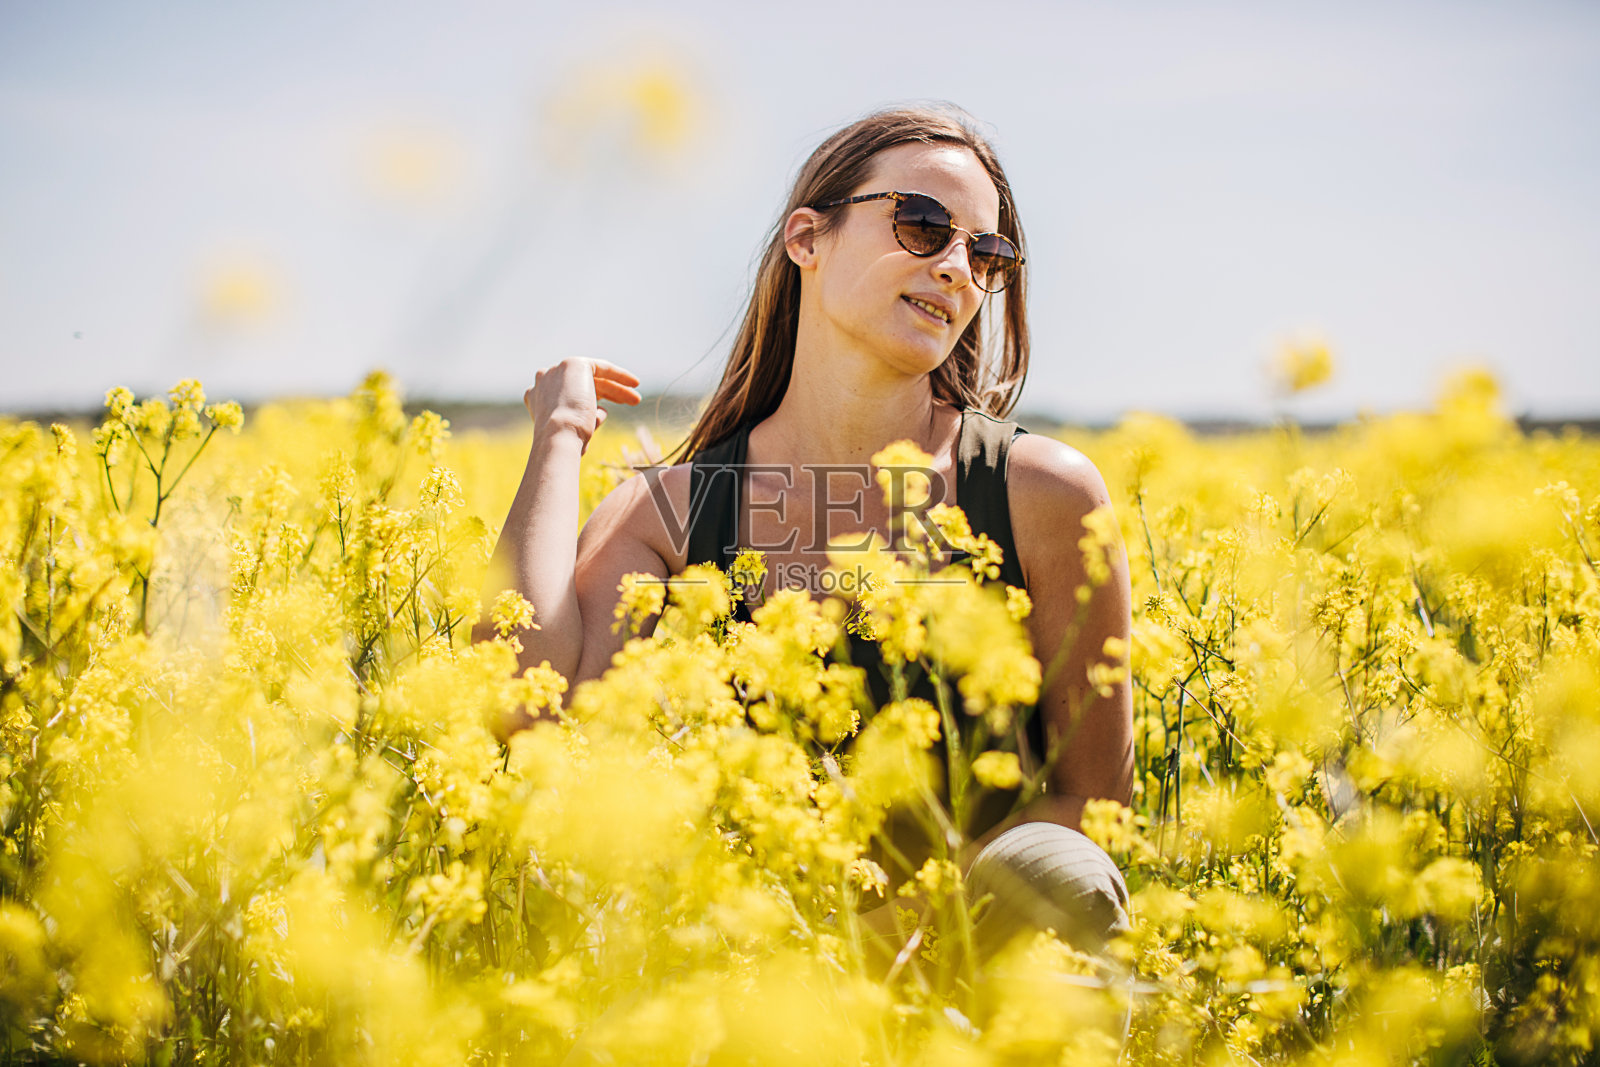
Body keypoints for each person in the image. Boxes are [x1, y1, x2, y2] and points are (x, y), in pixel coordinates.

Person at [482, 104, 1134, 961]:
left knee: (1057, 869)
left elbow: (1092, 812)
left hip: (967, 972)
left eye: (987, 254)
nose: (956, 270)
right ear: (806, 239)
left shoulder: (1037, 492)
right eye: (923, 224)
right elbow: (525, 710)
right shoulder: (680, 510)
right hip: (738, 983)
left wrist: (876, 951)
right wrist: (561, 431)